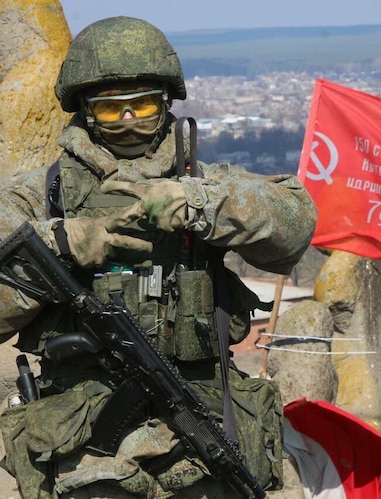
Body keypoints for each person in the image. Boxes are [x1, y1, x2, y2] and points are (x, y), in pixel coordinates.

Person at [0, 16, 317, 498]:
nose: (129, 121)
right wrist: (64, 245)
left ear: (166, 102)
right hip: (80, 442)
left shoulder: (204, 181)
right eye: (112, 110)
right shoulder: (39, 197)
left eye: (143, 105)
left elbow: (295, 224)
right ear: (85, 111)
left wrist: (199, 204)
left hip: (198, 420)